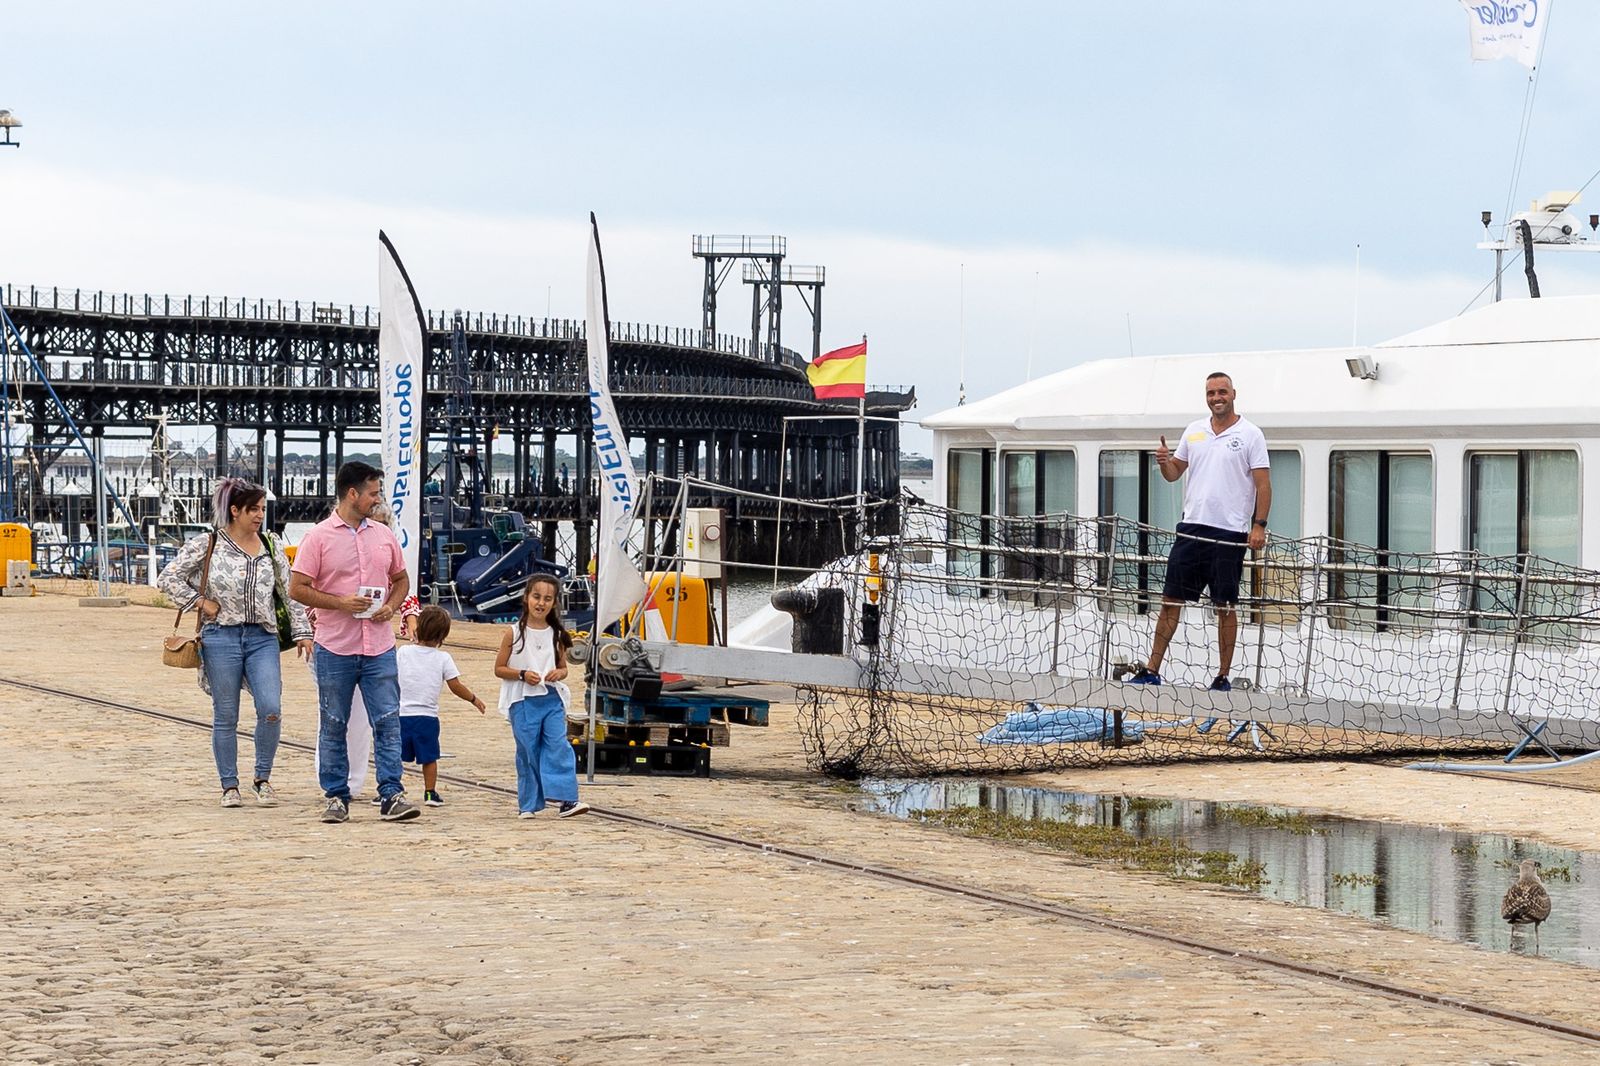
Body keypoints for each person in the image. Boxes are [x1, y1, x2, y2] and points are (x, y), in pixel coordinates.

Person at [158, 477, 312, 808]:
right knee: (226, 714)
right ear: (235, 510)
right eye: (254, 509)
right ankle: (229, 785)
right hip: (221, 637)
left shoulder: (271, 544)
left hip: (262, 637)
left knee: (271, 708)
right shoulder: (208, 543)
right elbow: (167, 578)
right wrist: (200, 602)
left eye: (263, 509)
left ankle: (263, 778)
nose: (260, 515)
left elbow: (291, 592)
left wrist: (302, 631)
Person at [289, 460, 420, 824]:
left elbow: (401, 580)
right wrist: (340, 603)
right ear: (352, 494)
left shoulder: (383, 536)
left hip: (378, 645)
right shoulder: (317, 538)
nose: (377, 500)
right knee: (333, 721)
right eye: (373, 493)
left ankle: (391, 793)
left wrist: (392, 607)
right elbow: (297, 588)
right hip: (336, 645)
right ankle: (336, 794)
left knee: (389, 720)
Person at [1129, 371, 1271, 691]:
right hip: (1191, 529)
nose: (1216, 398)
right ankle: (1152, 669)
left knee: (1225, 605)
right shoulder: (1194, 431)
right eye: (1211, 393)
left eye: (1222, 392)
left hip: (1230, 533)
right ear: (1205, 396)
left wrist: (1258, 526)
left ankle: (1222, 677)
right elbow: (1173, 473)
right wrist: (1165, 461)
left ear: (1234, 393)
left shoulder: (1251, 434)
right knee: (1170, 600)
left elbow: (1264, 484)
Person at [493, 574, 590, 820]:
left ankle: (567, 799)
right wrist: (523, 674)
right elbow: (499, 668)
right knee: (528, 751)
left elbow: (563, 667)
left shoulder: (557, 634)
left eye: (547, 599)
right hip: (523, 701)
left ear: (554, 603)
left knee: (558, 745)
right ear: (526, 598)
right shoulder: (513, 633)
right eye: (536, 597)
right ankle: (529, 803)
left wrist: (560, 673)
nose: (541, 603)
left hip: (551, 699)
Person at [398, 605, 486, 806]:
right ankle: (430, 793)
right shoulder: (443, 658)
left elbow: (390, 677)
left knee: (395, 756)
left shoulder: (403, 652)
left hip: (401, 714)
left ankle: (391, 790)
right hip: (427, 717)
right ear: (443, 635)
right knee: (429, 757)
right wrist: (474, 699)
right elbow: (455, 686)